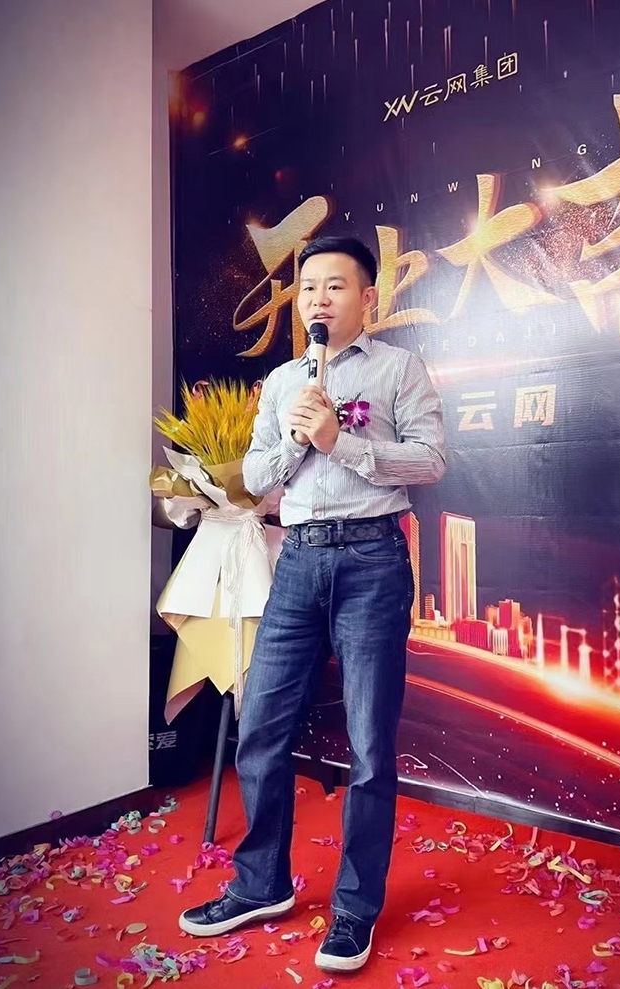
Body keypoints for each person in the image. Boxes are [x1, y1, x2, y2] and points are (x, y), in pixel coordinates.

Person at [179, 236, 446, 973]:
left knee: (369, 744)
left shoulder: (399, 369)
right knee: (261, 727)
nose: (318, 299)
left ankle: (355, 908)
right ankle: (260, 883)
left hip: (372, 558)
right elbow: (257, 475)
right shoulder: (280, 382)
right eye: (308, 289)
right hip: (296, 560)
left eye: (335, 285)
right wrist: (301, 440)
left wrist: (341, 440)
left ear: (368, 297)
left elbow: (431, 460)